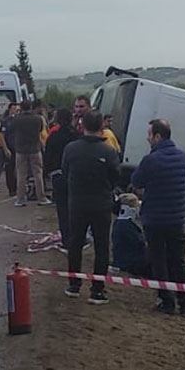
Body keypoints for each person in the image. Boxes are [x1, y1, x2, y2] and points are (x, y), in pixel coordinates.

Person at [131, 118, 185, 315]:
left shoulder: (151, 159)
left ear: (157, 136)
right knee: (178, 260)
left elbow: (136, 181)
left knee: (158, 260)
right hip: (177, 218)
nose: (147, 138)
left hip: (155, 218)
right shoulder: (183, 157)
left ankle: (166, 301)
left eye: (149, 134)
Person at [61, 111, 120, 304]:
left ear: (82, 125)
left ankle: (74, 285)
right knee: (102, 247)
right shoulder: (109, 151)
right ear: (102, 126)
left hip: (77, 203)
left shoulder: (71, 149)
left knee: (75, 244)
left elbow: (65, 171)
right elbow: (115, 176)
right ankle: (97, 290)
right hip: (101, 204)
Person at [11, 102, 47, 207]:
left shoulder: (16, 119)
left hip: (20, 149)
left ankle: (20, 199)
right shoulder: (38, 119)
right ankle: (41, 198)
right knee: (38, 174)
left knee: (21, 175)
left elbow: (12, 130)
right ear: (31, 107)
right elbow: (40, 130)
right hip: (35, 148)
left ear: (21, 108)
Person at [111, 193, 151, 277]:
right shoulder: (126, 225)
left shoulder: (119, 223)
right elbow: (140, 243)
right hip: (131, 264)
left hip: (125, 261)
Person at [0, 102, 20, 195]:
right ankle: (12, 189)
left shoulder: (20, 120)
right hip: (10, 148)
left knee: (20, 169)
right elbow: (2, 135)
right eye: (15, 109)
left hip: (19, 147)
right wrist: (5, 149)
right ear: (10, 110)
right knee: (10, 169)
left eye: (18, 109)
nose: (16, 111)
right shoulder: (5, 121)